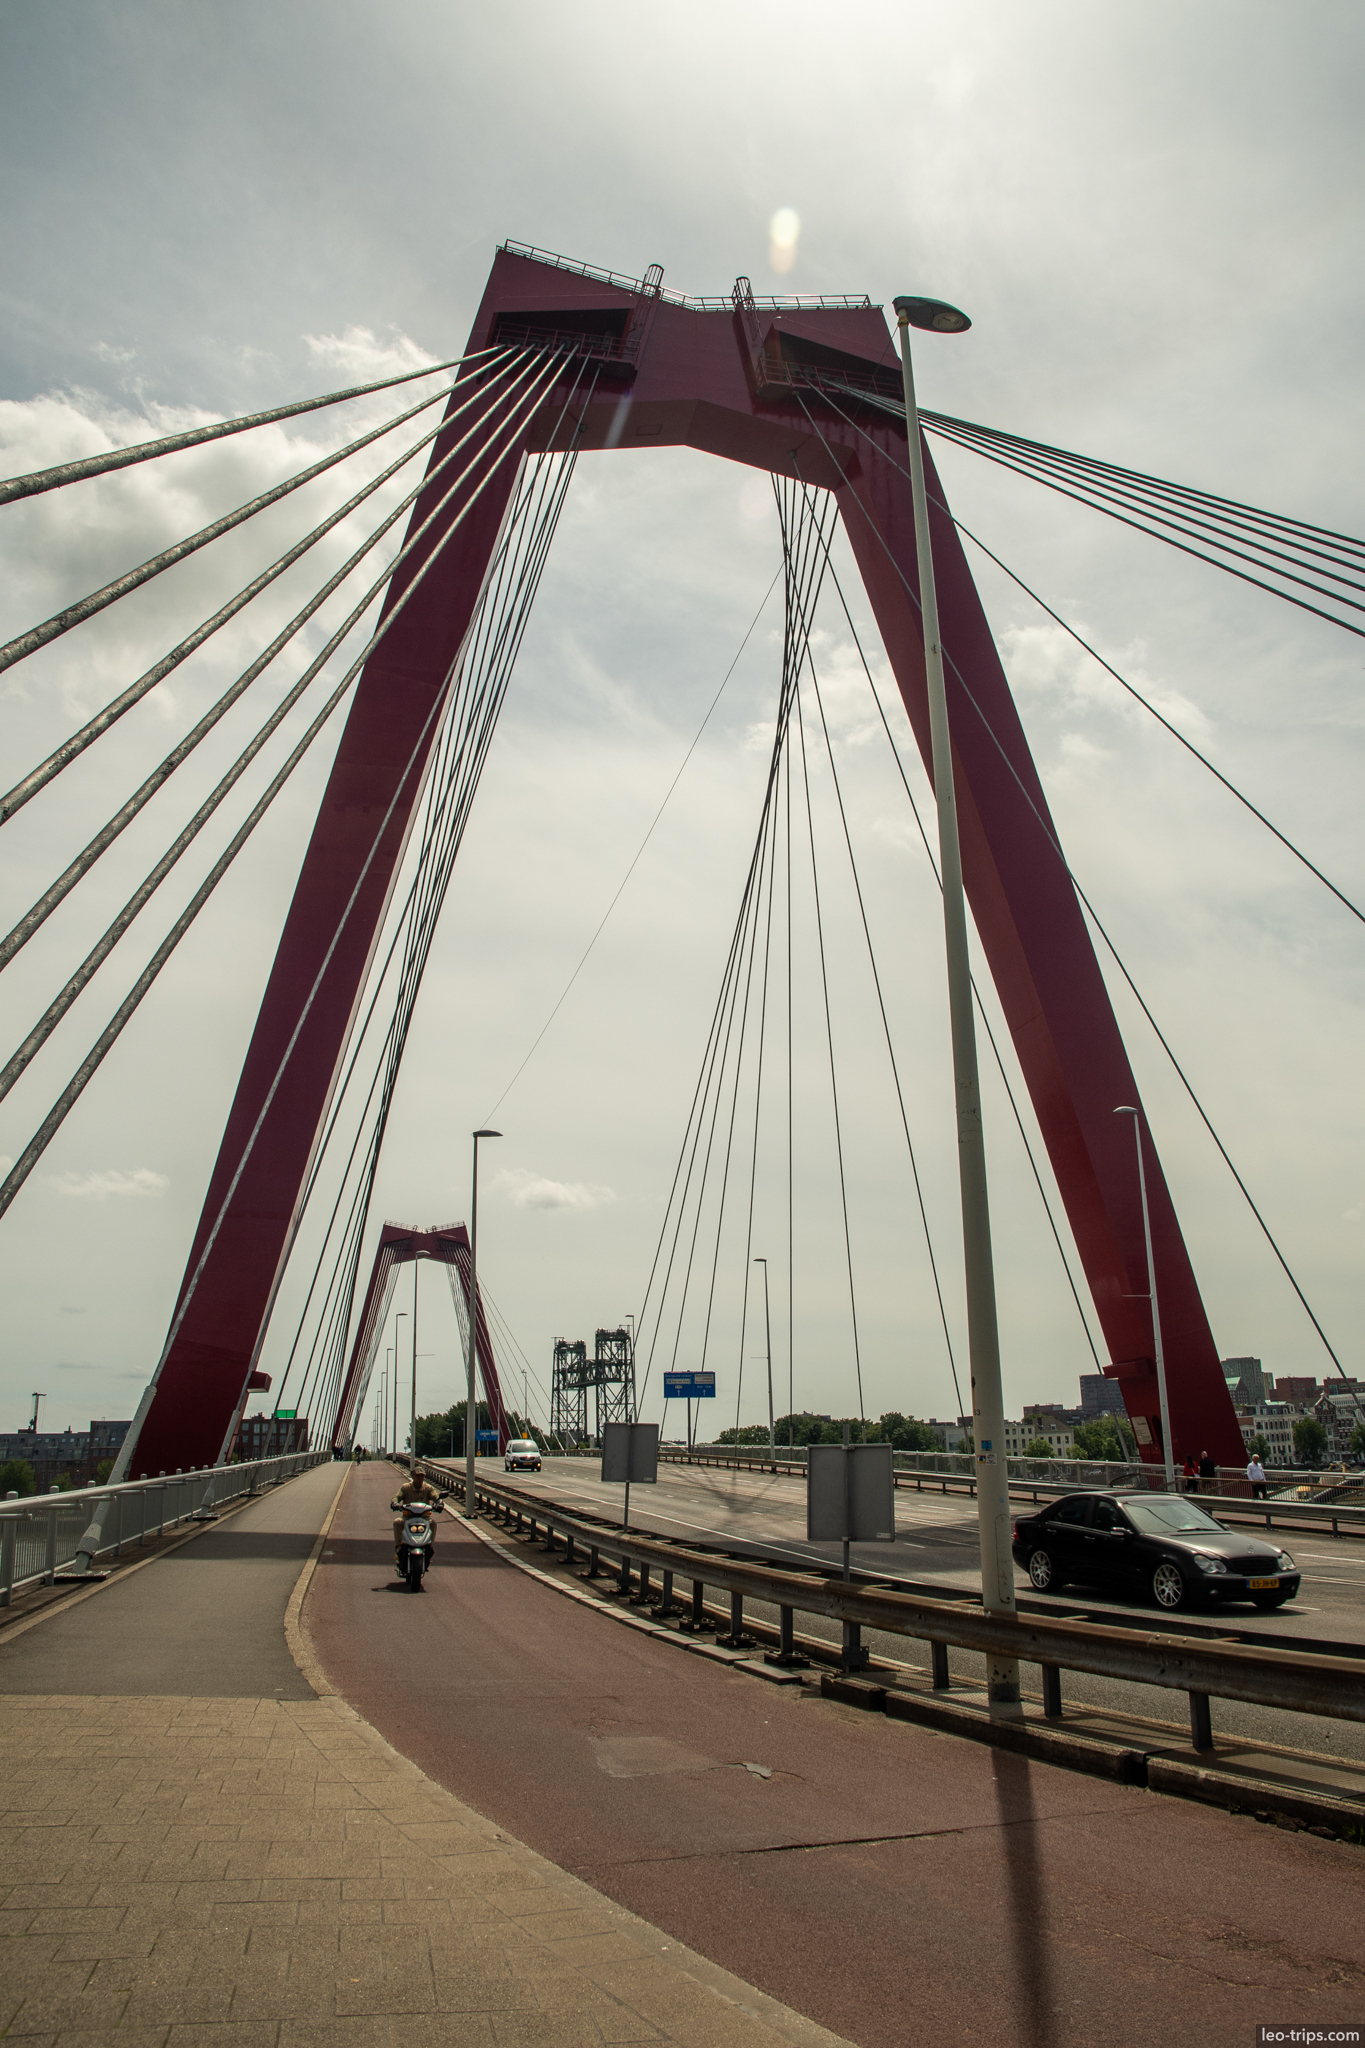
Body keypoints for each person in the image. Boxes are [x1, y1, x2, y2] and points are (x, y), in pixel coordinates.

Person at [391, 1469, 445, 1565]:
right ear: (413, 1476)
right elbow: (397, 1496)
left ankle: (430, 1546)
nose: (420, 1478)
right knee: (397, 1522)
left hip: (424, 1518)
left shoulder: (428, 1488)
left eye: (422, 1476)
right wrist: (395, 1503)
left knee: (433, 1523)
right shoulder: (406, 1487)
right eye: (418, 1475)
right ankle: (399, 1547)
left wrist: (439, 1503)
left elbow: (435, 1497)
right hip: (408, 1518)